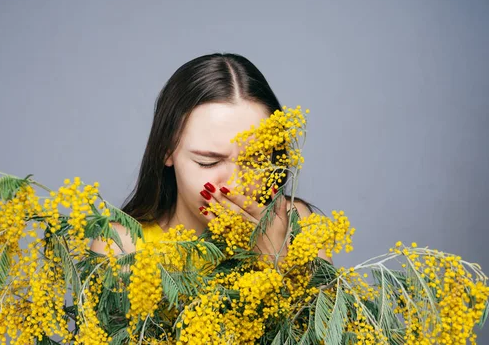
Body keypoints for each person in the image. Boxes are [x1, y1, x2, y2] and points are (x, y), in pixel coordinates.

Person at [91, 52, 331, 263]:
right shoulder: (120, 247)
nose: (236, 185)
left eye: (257, 161)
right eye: (209, 162)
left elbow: (326, 313)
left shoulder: (298, 226)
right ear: (166, 150)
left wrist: (275, 261)